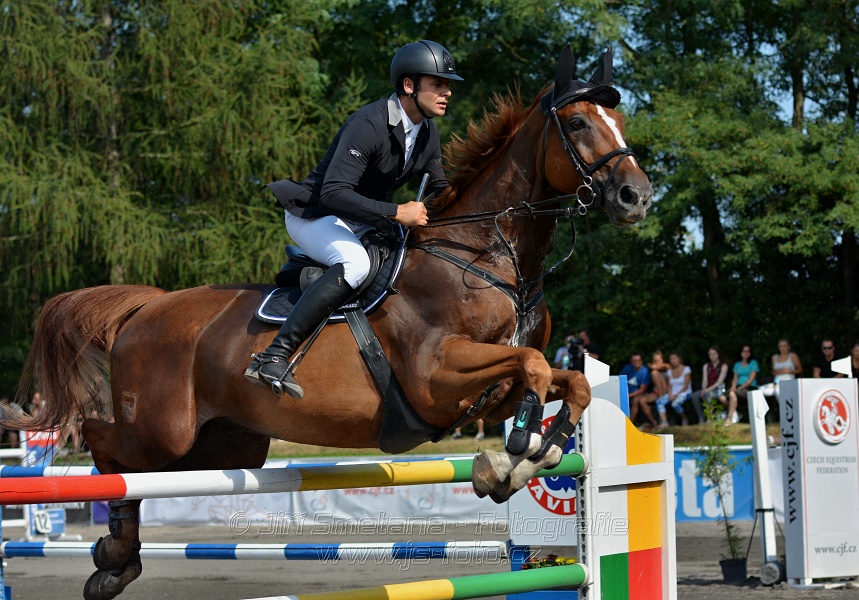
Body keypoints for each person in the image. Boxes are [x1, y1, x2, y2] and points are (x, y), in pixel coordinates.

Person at [245, 40, 463, 399]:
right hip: (314, 213)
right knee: (356, 264)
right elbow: (333, 193)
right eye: (438, 84)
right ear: (409, 86)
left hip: (361, 218)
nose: (447, 92)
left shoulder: (426, 132)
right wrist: (396, 212)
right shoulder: (369, 124)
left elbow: (441, 188)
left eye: (448, 85)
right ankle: (273, 356)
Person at [719, 345, 758, 426]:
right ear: (741, 353)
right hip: (738, 387)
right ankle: (735, 413)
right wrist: (733, 387)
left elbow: (750, 380)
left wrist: (739, 388)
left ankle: (729, 419)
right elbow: (735, 378)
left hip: (749, 387)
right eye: (744, 351)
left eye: (748, 351)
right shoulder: (737, 364)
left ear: (750, 353)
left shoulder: (753, 363)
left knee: (732, 394)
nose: (746, 353)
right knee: (722, 398)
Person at [689, 346, 729, 424]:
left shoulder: (724, 366)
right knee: (694, 396)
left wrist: (706, 390)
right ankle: (701, 417)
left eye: (714, 354)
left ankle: (709, 417)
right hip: (707, 389)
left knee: (708, 394)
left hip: (718, 390)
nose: (712, 356)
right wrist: (703, 389)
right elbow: (705, 380)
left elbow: (719, 382)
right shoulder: (706, 366)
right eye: (710, 354)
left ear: (718, 354)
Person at [655, 352, 692, 428]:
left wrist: (676, 395)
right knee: (659, 401)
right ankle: (664, 422)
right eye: (671, 359)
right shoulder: (669, 371)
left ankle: (684, 418)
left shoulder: (686, 369)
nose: (673, 360)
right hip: (673, 394)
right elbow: (669, 386)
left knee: (675, 403)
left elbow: (686, 385)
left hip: (684, 393)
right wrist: (670, 394)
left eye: (675, 358)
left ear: (679, 359)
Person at [622, 353, 652, 427]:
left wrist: (628, 396)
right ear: (631, 362)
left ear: (641, 361)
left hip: (639, 394)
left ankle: (629, 424)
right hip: (625, 393)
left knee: (636, 400)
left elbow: (642, 390)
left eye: (638, 360)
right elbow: (619, 380)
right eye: (634, 360)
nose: (636, 362)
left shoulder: (645, 371)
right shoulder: (627, 368)